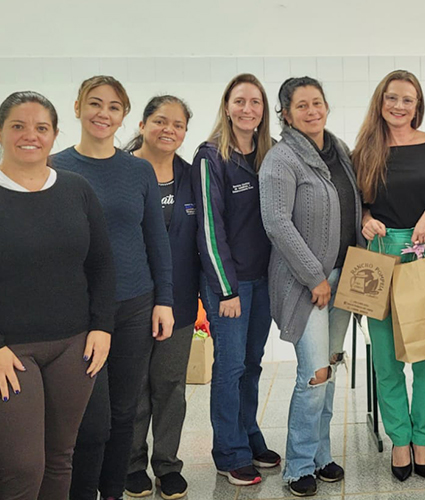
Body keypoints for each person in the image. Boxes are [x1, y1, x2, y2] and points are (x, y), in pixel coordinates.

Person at [0, 91, 115, 500]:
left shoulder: (76, 189)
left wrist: (102, 326)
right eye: (18, 126)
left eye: (41, 128)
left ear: (54, 135)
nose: (29, 135)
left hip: (74, 346)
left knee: (59, 459)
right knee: (21, 470)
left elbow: (102, 264)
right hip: (3, 352)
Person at [54, 75, 175, 500]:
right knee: (91, 416)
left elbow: (156, 241)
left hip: (134, 305)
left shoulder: (139, 170)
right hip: (79, 311)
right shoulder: (55, 168)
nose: (103, 114)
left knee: (125, 411)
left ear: (125, 116)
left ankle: (113, 491)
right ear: (77, 108)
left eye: (114, 107)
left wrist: (165, 300)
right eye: (95, 103)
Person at [353, 69, 425, 482]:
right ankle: (399, 439)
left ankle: (422, 436)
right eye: (392, 98)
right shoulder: (365, 149)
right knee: (385, 356)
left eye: (408, 100)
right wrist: (365, 219)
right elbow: (359, 203)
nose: (399, 106)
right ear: (380, 101)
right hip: (380, 254)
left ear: (418, 106)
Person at [260, 76, 362, 497]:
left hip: (344, 277)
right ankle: (298, 465)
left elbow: (353, 202)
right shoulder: (281, 160)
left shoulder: (339, 151)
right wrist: (314, 275)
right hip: (307, 284)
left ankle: (320, 455)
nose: (311, 110)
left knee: (331, 365)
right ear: (286, 113)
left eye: (316, 102)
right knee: (314, 374)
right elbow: (277, 223)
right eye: (301, 105)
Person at [192, 73, 280, 487]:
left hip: (263, 280)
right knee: (228, 368)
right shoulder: (211, 157)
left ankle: (249, 434)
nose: (248, 109)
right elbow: (210, 228)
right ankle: (229, 452)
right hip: (229, 284)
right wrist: (226, 289)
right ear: (227, 106)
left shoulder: (270, 155)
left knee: (252, 364)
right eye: (240, 101)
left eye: (256, 102)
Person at [123, 95, 200, 500]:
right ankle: (132, 464)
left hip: (181, 301)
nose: (169, 129)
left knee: (170, 386)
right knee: (134, 387)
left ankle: (167, 465)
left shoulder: (190, 176)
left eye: (178, 124)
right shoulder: (120, 171)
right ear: (141, 124)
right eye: (159, 120)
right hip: (131, 301)